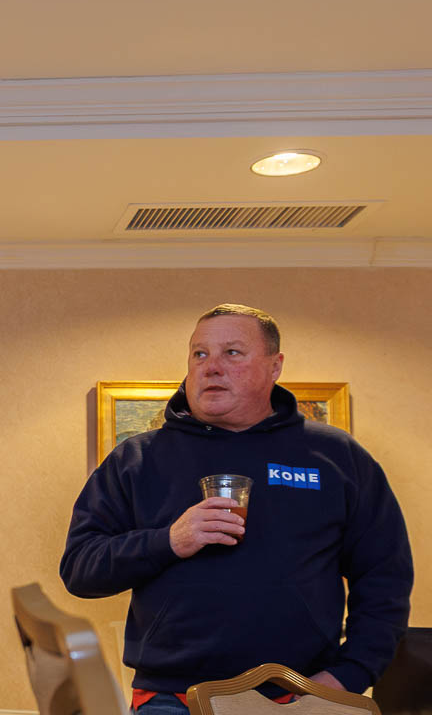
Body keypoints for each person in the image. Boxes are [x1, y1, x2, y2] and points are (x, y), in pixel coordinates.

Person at [59, 303, 413, 713]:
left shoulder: (336, 456)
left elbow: (385, 577)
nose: (211, 367)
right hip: (172, 698)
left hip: (297, 698)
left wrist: (349, 674)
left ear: (274, 365)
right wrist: (169, 540)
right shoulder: (137, 459)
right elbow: (80, 569)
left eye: (232, 352)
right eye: (199, 353)